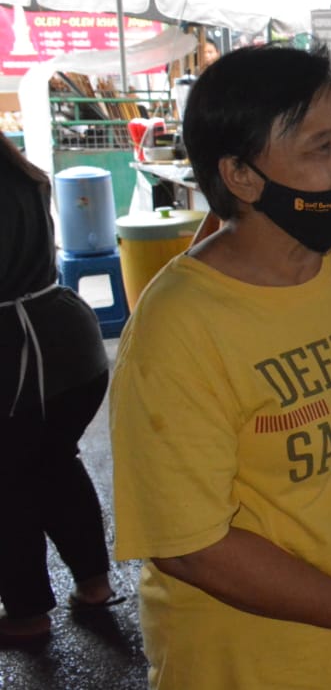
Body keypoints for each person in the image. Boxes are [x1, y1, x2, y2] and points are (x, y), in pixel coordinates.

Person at [109, 45, 331, 689]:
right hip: (258, 664)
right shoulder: (179, 323)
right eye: (320, 149)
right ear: (241, 174)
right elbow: (189, 544)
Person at [0, 134, 118, 646]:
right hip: (73, 344)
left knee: (7, 486)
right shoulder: (22, 175)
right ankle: (93, 584)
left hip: (20, 357)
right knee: (53, 463)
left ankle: (26, 614)